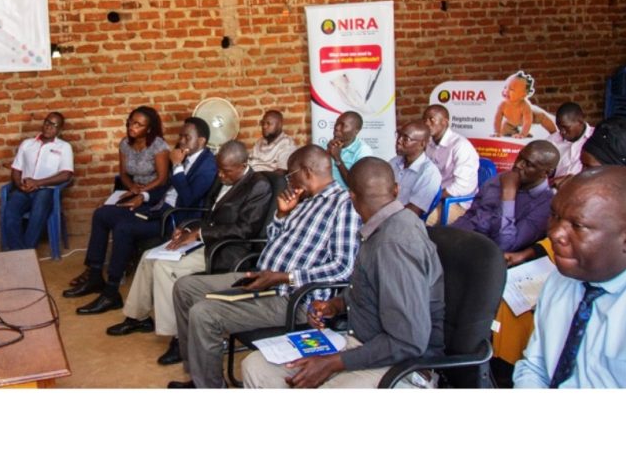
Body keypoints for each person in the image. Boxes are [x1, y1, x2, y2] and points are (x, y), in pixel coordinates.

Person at [168, 145, 360, 388]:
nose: (288, 181)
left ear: (307, 171)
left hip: (293, 299)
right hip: (263, 280)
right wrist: (280, 217)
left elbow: (343, 267)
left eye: (290, 175)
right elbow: (275, 241)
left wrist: (284, 277)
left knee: (204, 314)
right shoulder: (305, 202)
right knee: (185, 287)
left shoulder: (344, 206)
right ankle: (199, 376)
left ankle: (210, 388)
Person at [242, 157, 444, 388]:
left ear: (352, 198)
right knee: (257, 366)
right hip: (360, 342)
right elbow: (371, 287)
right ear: (396, 190)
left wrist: (334, 362)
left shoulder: (395, 244)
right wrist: (336, 305)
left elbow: (408, 342)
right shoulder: (377, 229)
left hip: (402, 365)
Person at [492, 117, 626, 370]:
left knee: (529, 311)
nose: (582, 172)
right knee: (510, 296)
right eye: (583, 165)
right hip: (581, 271)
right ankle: (518, 367)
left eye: (589, 167)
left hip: (617, 287)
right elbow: (567, 233)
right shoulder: (588, 194)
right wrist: (525, 254)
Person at [106, 140, 273, 367]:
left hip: (227, 249)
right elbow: (209, 213)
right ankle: (138, 317)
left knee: (165, 268)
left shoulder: (258, 185)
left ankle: (179, 338)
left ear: (243, 165)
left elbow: (245, 229)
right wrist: (188, 228)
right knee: (149, 257)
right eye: (219, 169)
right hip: (207, 240)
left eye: (226, 171)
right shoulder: (223, 177)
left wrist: (200, 233)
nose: (221, 175)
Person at [513, 167, 626, 388]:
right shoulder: (562, 279)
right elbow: (534, 367)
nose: (555, 233)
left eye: (578, 226)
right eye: (555, 216)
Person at [65, 117, 217, 315]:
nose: (181, 141)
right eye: (180, 136)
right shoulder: (184, 155)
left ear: (202, 141)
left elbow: (188, 199)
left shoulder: (208, 165)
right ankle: (94, 276)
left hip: (174, 219)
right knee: (102, 214)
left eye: (187, 137)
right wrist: (143, 196)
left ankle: (111, 293)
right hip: (157, 207)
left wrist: (177, 166)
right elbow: (165, 188)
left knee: (124, 228)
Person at [67, 106, 169, 290]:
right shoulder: (125, 144)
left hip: (153, 195)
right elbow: (123, 174)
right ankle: (94, 271)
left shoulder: (158, 146)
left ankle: (117, 272)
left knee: (121, 222)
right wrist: (131, 188)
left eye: (138, 124)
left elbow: (162, 179)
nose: (132, 127)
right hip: (133, 190)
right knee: (100, 214)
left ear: (149, 128)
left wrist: (142, 191)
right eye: (131, 121)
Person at [451, 140, 559, 253]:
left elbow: (505, 246)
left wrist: (508, 195)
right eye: (519, 157)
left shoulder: (546, 204)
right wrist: (452, 235)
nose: (518, 165)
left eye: (528, 164)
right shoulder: (500, 178)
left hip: (489, 255)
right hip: (465, 240)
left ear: (546, 173)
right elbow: (471, 214)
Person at [1, 112, 74, 251]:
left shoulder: (64, 147)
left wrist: (37, 183)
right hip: (24, 189)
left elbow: (66, 175)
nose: (48, 127)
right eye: (47, 122)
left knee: (39, 208)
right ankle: (20, 253)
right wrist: (20, 185)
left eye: (54, 125)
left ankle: (26, 251)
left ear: (59, 129)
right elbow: (16, 170)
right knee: (10, 210)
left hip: (47, 190)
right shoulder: (27, 144)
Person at [423, 104, 480, 224]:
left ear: (445, 122)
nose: (426, 123)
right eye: (424, 120)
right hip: (435, 197)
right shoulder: (429, 143)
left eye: (431, 120)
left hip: (456, 203)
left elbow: (463, 186)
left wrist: (434, 197)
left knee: (416, 219)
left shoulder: (460, 146)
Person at [388, 121, 442, 218]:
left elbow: (413, 212)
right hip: (386, 216)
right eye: (398, 135)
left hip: (403, 224)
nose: (399, 141)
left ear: (422, 144)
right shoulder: (394, 162)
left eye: (406, 138)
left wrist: (382, 216)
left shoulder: (429, 172)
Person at [547, 102, 594, 188]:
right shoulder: (552, 141)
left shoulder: (595, 138)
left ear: (580, 121)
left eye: (566, 127)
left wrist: (571, 180)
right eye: (559, 127)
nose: (562, 132)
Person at [327, 111, 372, 189]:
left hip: (348, 199)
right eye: (337, 123)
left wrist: (337, 158)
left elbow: (357, 184)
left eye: (343, 125)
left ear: (356, 131)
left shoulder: (363, 151)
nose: (337, 127)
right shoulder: (326, 146)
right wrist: (325, 154)